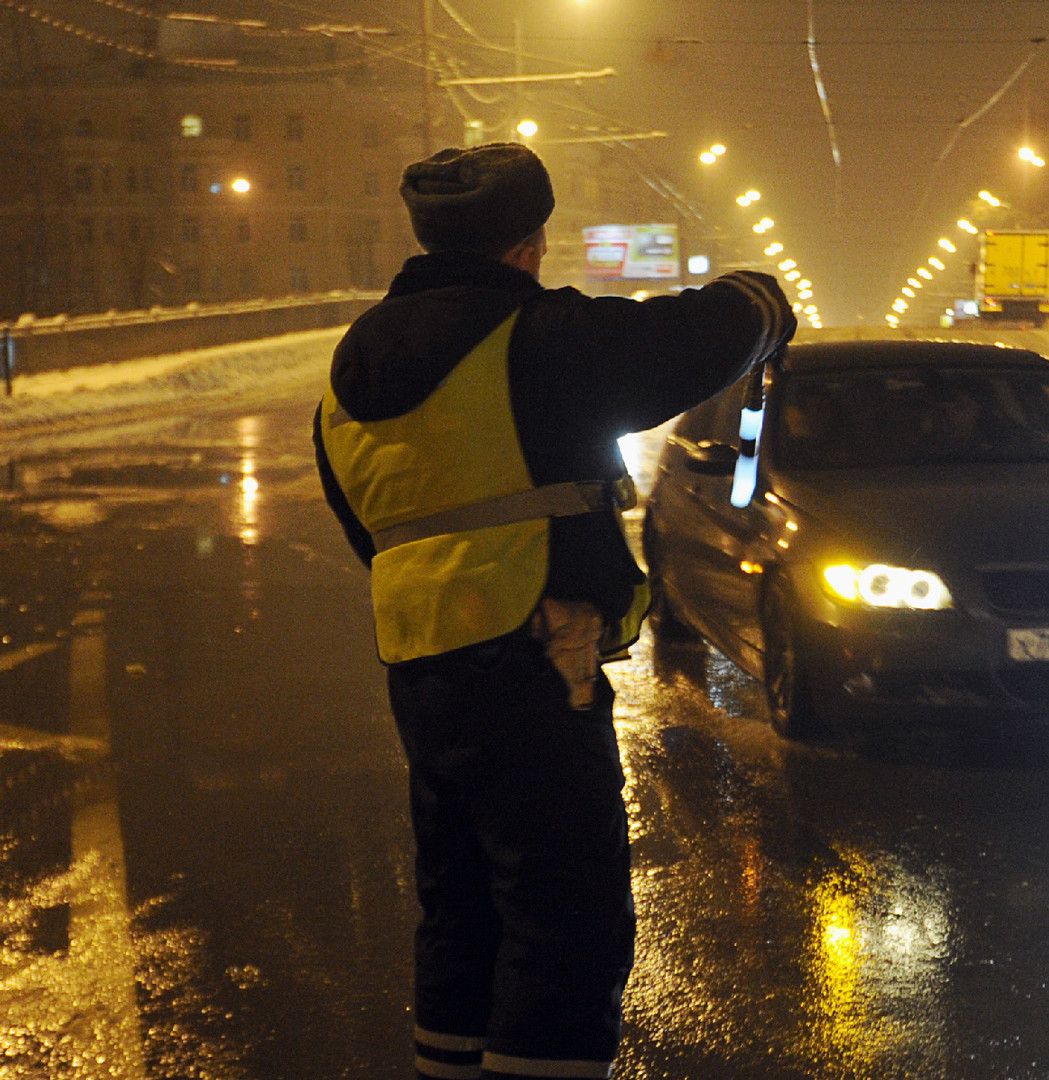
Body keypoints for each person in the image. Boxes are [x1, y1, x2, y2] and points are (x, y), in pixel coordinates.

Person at [312, 142, 793, 1080]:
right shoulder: (536, 339)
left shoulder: (351, 363)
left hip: (421, 666)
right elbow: (686, 341)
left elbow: (363, 519)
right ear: (528, 245)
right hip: (534, 656)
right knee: (564, 917)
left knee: (462, 909)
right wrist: (764, 301)